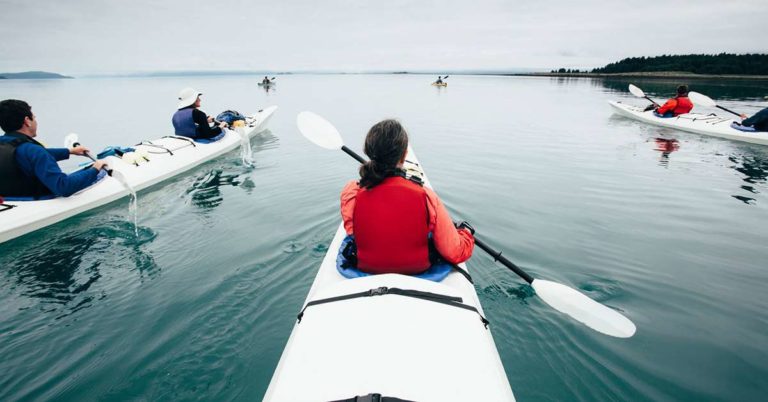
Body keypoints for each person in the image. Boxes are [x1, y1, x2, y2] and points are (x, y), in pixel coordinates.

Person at [339, 119, 475, 275]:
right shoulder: (426, 196)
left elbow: (352, 231)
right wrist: (466, 233)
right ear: (404, 155)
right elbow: (455, 252)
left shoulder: (352, 194)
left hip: (367, 268)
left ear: (369, 152)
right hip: (417, 270)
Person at [0, 99, 107, 199]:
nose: (36, 122)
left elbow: (27, 155)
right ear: (27, 121)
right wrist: (95, 168)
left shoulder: (5, 143)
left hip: (9, 200)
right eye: (34, 118)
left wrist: (69, 151)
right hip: (36, 202)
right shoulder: (34, 151)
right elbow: (63, 187)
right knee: (99, 174)